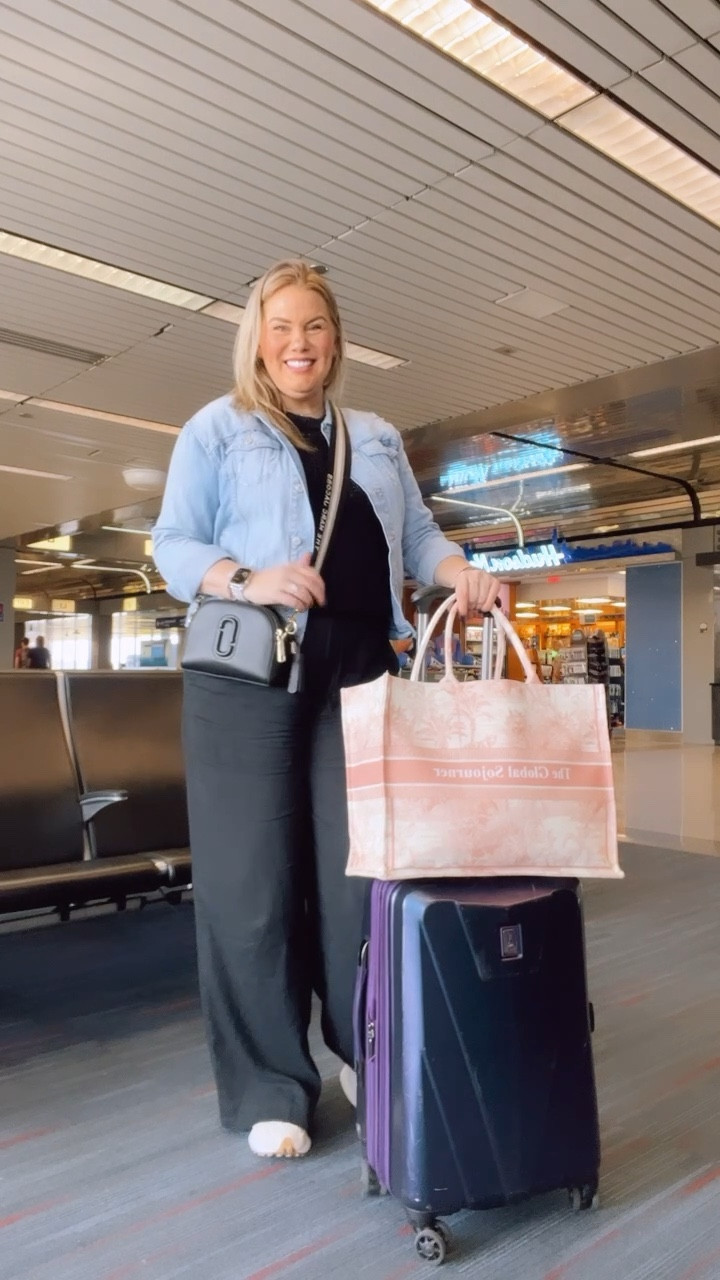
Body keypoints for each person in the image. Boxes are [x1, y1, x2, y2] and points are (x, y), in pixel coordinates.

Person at [152, 260, 499, 1162]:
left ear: (335, 338)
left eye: (313, 326)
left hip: (357, 665)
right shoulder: (218, 430)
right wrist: (246, 577)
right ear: (256, 339)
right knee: (251, 885)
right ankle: (271, 1082)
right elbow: (173, 545)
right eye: (280, 327)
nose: (297, 343)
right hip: (247, 673)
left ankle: (360, 1045)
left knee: (360, 878)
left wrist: (458, 572)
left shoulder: (374, 437)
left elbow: (417, 536)